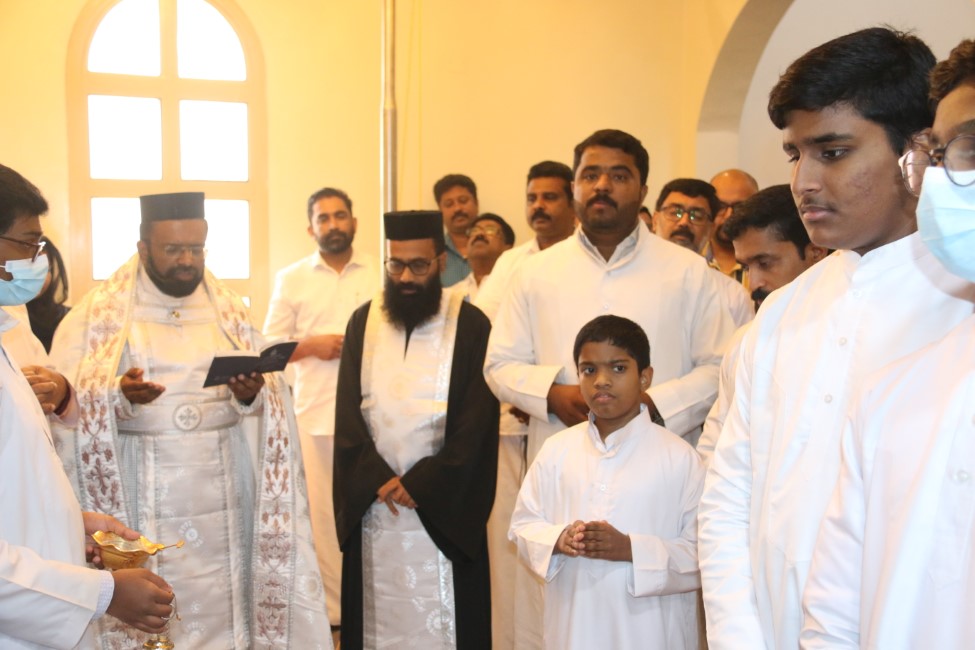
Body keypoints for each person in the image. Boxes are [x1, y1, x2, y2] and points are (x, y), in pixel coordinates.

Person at [697, 28, 975, 650]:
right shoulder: (780, 313)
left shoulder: (961, 303)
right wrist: (740, 638)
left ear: (917, 151)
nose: (804, 182)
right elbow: (728, 497)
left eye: (833, 152)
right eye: (795, 155)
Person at [51, 192, 330, 649]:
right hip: (142, 491)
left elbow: (270, 394)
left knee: (225, 606)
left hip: (224, 496)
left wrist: (249, 394)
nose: (187, 260)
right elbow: (64, 397)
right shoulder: (99, 315)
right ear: (143, 249)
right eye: (173, 249)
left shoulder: (229, 311)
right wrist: (118, 394)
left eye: (196, 249)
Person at [801, 39, 975, 648]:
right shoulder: (894, 393)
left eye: (973, 146)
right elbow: (834, 611)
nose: (947, 178)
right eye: (940, 153)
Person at [0, 163, 174, 648]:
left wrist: (67, 522)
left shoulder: (7, 325)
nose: (37, 260)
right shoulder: (94, 314)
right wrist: (102, 594)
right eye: (28, 243)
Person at [486, 129, 733, 459]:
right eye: (590, 175)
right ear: (574, 186)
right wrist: (551, 395)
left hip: (660, 458)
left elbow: (720, 367)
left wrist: (653, 404)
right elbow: (500, 363)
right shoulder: (533, 272)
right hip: (561, 457)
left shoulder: (689, 271)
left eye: (619, 176)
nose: (602, 185)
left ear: (643, 191)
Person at [333, 210, 499, 650]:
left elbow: (478, 423)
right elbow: (347, 415)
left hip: (443, 509)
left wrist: (423, 482)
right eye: (396, 265)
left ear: (441, 262)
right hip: (376, 504)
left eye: (418, 265)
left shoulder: (472, 324)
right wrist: (375, 477)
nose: (405, 277)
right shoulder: (362, 322)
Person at [509, 315, 704, 650]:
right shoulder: (556, 450)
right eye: (589, 370)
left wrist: (630, 549)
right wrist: (558, 538)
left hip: (651, 633)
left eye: (618, 368)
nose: (601, 381)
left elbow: (701, 554)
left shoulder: (680, 458)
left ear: (645, 377)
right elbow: (522, 526)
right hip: (573, 629)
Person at [262, 186, 378, 636]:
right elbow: (268, 349)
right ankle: (335, 613)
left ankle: (372, 602)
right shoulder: (291, 278)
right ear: (311, 228)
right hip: (316, 414)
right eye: (323, 218)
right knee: (325, 517)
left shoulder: (379, 271)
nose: (333, 224)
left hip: (374, 416)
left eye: (340, 215)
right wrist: (312, 345)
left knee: (373, 509)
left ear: (354, 222)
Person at [473, 161, 577, 649]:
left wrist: (546, 391)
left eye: (550, 197)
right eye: (532, 198)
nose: (539, 206)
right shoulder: (512, 263)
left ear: (572, 202)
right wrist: (526, 389)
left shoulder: (584, 261)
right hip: (511, 429)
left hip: (571, 424)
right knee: (511, 547)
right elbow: (482, 335)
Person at [696, 184, 828, 466]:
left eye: (765, 263)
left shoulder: (851, 334)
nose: (753, 283)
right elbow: (716, 446)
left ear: (816, 253)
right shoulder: (746, 340)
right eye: (746, 267)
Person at [651, 178, 754, 327]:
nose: (684, 222)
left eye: (696, 216)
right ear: (655, 220)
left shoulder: (732, 296)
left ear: (710, 229)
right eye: (675, 213)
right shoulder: (628, 277)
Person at [706, 169, 759, 286]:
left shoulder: (771, 263)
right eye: (720, 206)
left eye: (739, 207)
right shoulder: (691, 260)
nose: (729, 215)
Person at [27, 234, 70, 352]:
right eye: (31, 268)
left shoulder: (67, 318)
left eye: (44, 269)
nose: (37, 277)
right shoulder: (8, 318)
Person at [434, 174, 479, 286]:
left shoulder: (496, 250)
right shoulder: (434, 255)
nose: (457, 208)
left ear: (477, 203)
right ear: (440, 211)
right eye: (449, 204)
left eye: (463, 201)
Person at [457, 212, 514, 301]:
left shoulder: (515, 286)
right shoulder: (453, 294)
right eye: (474, 230)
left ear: (508, 248)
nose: (479, 234)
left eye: (490, 230)